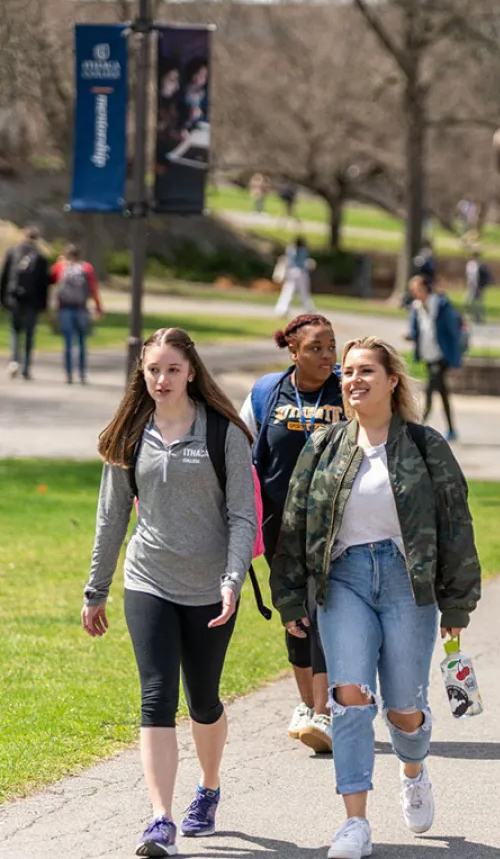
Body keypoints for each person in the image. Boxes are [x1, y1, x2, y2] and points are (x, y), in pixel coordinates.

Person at [270, 336, 481, 859]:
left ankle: (413, 770)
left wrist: (457, 602)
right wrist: (290, 597)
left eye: (366, 370)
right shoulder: (324, 446)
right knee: (349, 698)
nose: (354, 380)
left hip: (408, 582)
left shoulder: (426, 446)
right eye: (347, 372)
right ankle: (355, 823)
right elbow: (295, 521)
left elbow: (455, 522)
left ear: (392, 381)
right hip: (344, 581)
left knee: (405, 708)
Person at [81, 327, 257, 856]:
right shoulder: (130, 433)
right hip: (149, 579)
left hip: (210, 586)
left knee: (202, 699)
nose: (162, 379)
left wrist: (231, 579)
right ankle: (161, 820)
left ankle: (209, 786)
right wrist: (96, 589)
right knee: (156, 696)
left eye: (172, 369)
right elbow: (111, 517)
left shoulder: (224, 433)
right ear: (143, 372)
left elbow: (242, 516)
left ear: (191, 372)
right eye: (153, 369)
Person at [239, 314, 345, 753]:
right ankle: (307, 706)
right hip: (279, 525)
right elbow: (240, 449)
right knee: (295, 612)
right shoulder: (268, 392)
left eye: (331, 346)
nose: (327, 355)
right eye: (316, 348)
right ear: (293, 351)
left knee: (323, 611)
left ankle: (325, 711)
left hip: (336, 528)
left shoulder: (346, 390)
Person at [408, 275, 463, 442]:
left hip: (441, 355)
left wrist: (455, 358)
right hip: (428, 355)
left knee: (430, 390)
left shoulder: (441, 306)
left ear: (426, 289)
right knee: (442, 392)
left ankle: (418, 428)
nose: (416, 294)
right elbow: (417, 330)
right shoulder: (416, 308)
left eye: (418, 290)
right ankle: (451, 429)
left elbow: (452, 332)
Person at [0, 226, 50, 380]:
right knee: (29, 334)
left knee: (15, 331)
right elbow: (44, 284)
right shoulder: (40, 257)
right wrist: (44, 305)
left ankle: (14, 361)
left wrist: (3, 298)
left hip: (14, 299)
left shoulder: (13, 252)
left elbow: (5, 276)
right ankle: (26, 368)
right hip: (32, 302)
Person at [50, 243, 103, 385]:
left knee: (68, 342)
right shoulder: (86, 268)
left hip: (65, 308)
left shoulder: (60, 267)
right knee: (81, 342)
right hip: (81, 308)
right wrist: (99, 307)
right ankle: (82, 373)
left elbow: (51, 280)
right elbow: (93, 288)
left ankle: (68, 373)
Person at [275, 236, 314, 317]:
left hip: (292, 271)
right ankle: (308, 308)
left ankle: (282, 309)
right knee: (303, 292)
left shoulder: (290, 249)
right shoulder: (303, 250)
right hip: (301, 272)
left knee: (288, 291)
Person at [464, 252, 490, 324]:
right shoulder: (475, 265)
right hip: (476, 286)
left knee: (475, 302)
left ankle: (478, 317)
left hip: (477, 286)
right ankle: (477, 317)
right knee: (475, 302)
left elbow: (474, 277)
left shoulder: (475, 265)